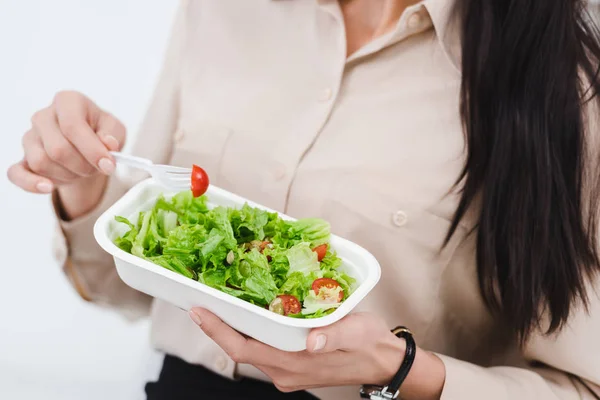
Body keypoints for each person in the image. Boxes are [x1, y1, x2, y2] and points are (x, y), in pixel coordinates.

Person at [7, 0, 600, 399]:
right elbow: (130, 285)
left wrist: (403, 371)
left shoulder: (566, 87)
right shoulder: (223, 12)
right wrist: (84, 185)